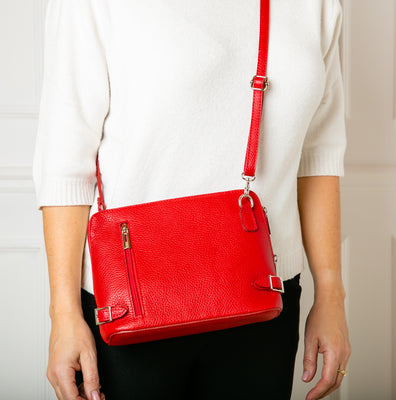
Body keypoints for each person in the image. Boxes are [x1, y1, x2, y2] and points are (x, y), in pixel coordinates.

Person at [32, 0, 351, 399]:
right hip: (135, 302)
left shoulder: (316, 5)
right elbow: (66, 161)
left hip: (265, 302)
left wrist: (331, 294)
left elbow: (318, 154)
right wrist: (63, 314)